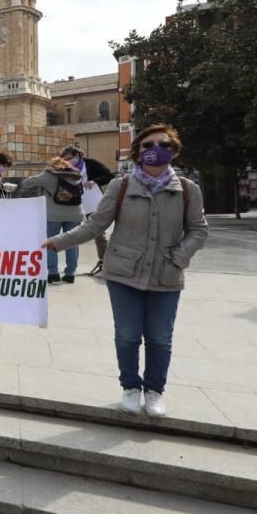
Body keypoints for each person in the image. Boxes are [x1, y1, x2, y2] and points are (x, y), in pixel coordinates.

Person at [44, 124, 208, 418]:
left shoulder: (186, 189)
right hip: (123, 273)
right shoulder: (121, 187)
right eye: (147, 145)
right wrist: (56, 243)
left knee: (160, 337)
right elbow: (94, 225)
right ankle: (131, 387)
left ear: (173, 151)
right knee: (128, 335)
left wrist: (179, 258)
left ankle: (155, 392)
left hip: (166, 274)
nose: (155, 149)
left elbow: (198, 230)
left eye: (163, 144)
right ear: (137, 152)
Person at [18, 157, 85, 284]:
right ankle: (70, 273)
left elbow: (26, 183)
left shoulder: (49, 175)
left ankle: (53, 273)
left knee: (51, 242)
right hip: (75, 214)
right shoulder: (76, 175)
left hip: (54, 215)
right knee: (71, 243)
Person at [60, 145, 115, 275]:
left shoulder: (91, 164)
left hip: (93, 202)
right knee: (74, 234)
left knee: (99, 234)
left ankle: (104, 262)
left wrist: (94, 181)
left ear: (78, 155)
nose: (68, 161)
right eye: (65, 159)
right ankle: (71, 268)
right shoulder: (64, 168)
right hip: (74, 204)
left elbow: (109, 176)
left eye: (69, 158)